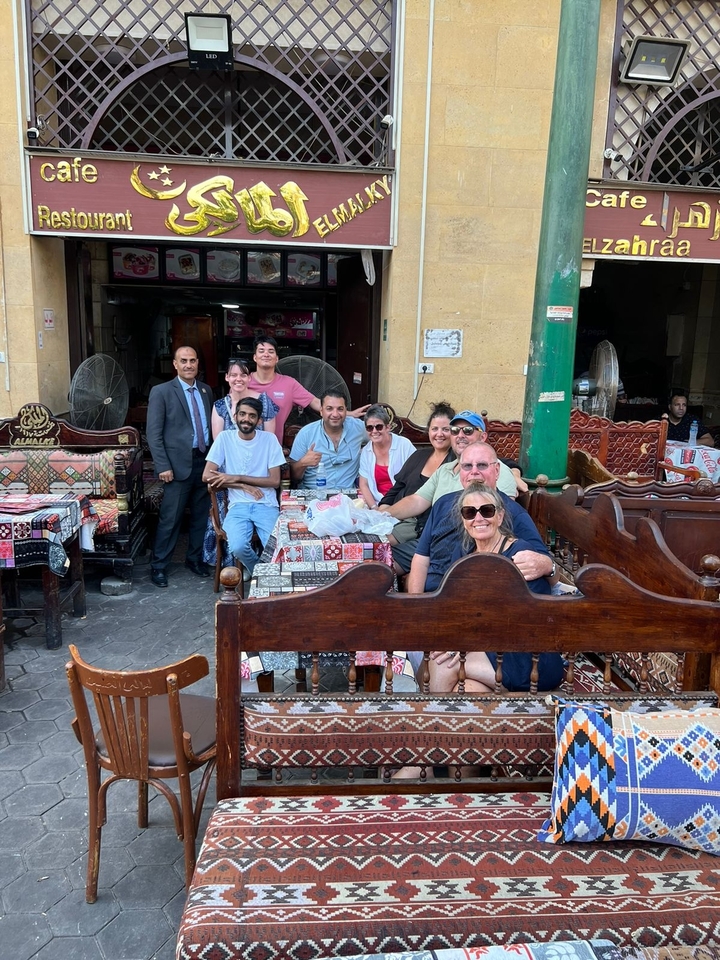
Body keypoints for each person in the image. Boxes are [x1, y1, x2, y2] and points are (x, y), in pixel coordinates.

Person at [424, 482, 563, 693]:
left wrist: (465, 644)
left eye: (486, 510)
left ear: (499, 516)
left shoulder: (519, 554)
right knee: (466, 688)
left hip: (526, 654)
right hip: (487, 645)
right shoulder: (464, 552)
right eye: (470, 512)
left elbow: (521, 621)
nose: (478, 518)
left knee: (442, 665)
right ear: (463, 520)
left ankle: (428, 715)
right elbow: (455, 605)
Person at [379, 410, 519, 574]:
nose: (460, 435)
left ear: (482, 437)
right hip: (431, 539)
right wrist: (381, 515)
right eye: (455, 430)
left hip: (462, 547)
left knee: (380, 565)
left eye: (468, 430)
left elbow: (504, 517)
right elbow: (417, 500)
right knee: (377, 559)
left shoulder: (495, 471)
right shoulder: (445, 469)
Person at [406, 440, 552, 596]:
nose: (474, 472)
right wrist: (417, 603)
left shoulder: (515, 514)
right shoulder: (443, 504)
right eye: (467, 466)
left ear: (497, 470)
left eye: (482, 465)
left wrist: (549, 566)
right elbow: (421, 558)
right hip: (438, 595)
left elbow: (543, 565)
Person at [146, 345, 214, 588]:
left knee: (200, 517)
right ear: (175, 364)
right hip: (175, 467)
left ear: (198, 363)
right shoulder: (162, 391)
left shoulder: (206, 390)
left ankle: (194, 559)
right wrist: (162, 465)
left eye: (192, 360)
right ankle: (159, 566)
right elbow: (153, 434)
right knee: (170, 519)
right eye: (183, 361)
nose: (188, 365)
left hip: (203, 463)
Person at [202, 397, 285, 577]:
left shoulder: (269, 440)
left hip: (266, 504)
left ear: (259, 420)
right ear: (235, 416)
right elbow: (206, 476)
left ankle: (263, 575)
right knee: (238, 547)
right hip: (238, 506)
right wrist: (241, 486)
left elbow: (274, 481)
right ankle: (260, 572)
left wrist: (239, 477)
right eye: (242, 414)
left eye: (252, 416)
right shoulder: (225, 438)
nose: (246, 419)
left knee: (276, 547)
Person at [247, 335, 370, 442]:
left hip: (273, 447)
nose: (266, 354)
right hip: (243, 445)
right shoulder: (243, 382)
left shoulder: (288, 384)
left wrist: (349, 414)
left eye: (271, 351)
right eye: (261, 351)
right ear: (255, 357)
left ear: (277, 358)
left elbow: (315, 402)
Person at [378, 401, 456, 544]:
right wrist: (384, 509)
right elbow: (397, 487)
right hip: (395, 515)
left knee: (378, 545)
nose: (439, 434)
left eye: (445, 429)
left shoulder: (455, 463)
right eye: (434, 429)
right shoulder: (419, 455)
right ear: (429, 431)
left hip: (418, 525)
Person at [289, 390, 367, 489]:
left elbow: (382, 436)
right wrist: (303, 463)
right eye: (329, 409)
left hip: (347, 494)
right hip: (314, 493)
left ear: (346, 411)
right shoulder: (306, 433)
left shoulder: (358, 428)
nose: (335, 414)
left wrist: (369, 452)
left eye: (340, 409)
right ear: (321, 411)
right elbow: (294, 477)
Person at [358, 405, 416, 508]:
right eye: (369, 428)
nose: (374, 431)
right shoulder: (366, 452)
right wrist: (374, 508)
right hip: (377, 503)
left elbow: (415, 477)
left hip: (403, 501)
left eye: (379, 427)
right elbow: (364, 484)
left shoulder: (404, 445)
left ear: (388, 427)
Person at [211, 359, 278, 439]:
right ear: (227, 377)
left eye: (243, 375)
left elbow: (269, 438)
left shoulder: (264, 401)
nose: (238, 379)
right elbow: (218, 441)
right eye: (233, 375)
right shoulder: (220, 406)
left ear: (249, 378)